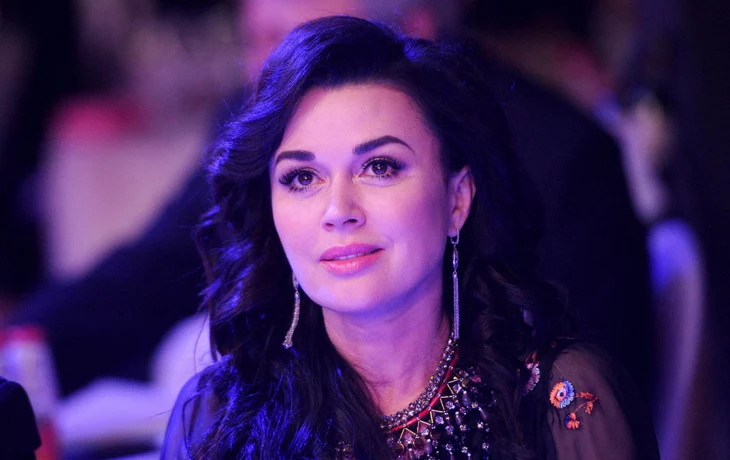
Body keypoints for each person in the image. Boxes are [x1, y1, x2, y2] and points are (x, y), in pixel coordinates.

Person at [162, 16, 658, 459]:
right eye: (302, 178)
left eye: (379, 167)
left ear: (457, 200)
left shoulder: (558, 402)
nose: (338, 212)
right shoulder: (220, 417)